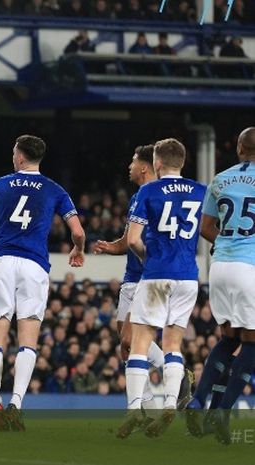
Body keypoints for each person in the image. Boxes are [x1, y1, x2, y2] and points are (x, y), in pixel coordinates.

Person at [0, 134, 85, 431]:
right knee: (28, 338)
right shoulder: (54, 189)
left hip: (2, 262)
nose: (13, 156)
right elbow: (76, 230)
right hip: (35, 265)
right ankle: (16, 403)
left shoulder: (1, 183)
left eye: (14, 152)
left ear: (21, 157)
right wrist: (78, 248)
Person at [93, 145, 193, 416]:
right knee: (125, 343)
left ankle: (165, 388)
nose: (129, 166)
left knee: (133, 339)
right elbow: (130, 238)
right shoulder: (140, 195)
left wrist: (151, 261)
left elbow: (139, 240)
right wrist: (112, 247)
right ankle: (151, 402)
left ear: (146, 167)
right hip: (134, 275)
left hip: (147, 276)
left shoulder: (152, 194)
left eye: (133, 161)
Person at [119, 138, 206, 438]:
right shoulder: (200, 191)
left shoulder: (149, 190)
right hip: (188, 276)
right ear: (181, 162)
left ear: (157, 163)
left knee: (139, 343)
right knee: (173, 344)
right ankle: (171, 402)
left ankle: (134, 409)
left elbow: (132, 240)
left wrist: (149, 258)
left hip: (157, 275)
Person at [186, 127, 255, 444]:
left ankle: (199, 401)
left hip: (219, 266)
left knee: (228, 338)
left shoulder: (220, 178)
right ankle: (222, 413)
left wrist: (226, 243)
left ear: (240, 147)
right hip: (249, 267)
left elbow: (206, 228)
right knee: (252, 344)